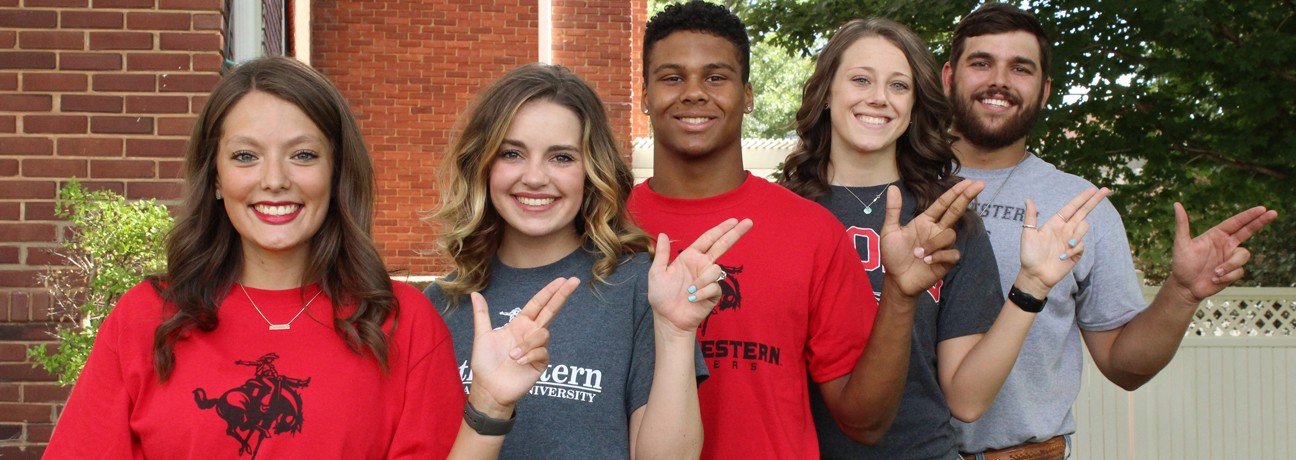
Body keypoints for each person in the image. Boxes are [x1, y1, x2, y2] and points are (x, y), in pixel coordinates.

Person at [44, 56, 572, 459]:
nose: (274, 179)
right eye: (246, 156)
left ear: (336, 174)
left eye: (302, 154)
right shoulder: (145, 318)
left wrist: (491, 405)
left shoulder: (404, 323)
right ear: (216, 180)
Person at [630, 2, 973, 457]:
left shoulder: (811, 229)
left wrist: (899, 294)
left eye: (716, 77)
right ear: (644, 95)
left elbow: (864, 422)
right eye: (672, 77)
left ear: (748, 95)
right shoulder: (608, 226)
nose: (694, 92)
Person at [941, 4, 1279, 459]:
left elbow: (1125, 366)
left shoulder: (1081, 207)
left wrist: (1181, 292)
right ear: (948, 77)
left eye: (1020, 68)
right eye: (981, 63)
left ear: (1044, 92)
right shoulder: (896, 187)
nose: (999, 80)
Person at [780, 17, 1110, 459]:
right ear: (826, 94)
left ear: (915, 105)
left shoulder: (948, 220)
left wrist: (1032, 285)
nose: (878, 97)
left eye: (899, 86)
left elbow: (967, 399)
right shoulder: (778, 215)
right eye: (860, 79)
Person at [426, 63, 751, 459]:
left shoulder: (639, 289)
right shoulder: (437, 305)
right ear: (483, 163)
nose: (534, 177)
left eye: (561, 157)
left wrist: (676, 333)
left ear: (591, 170)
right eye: (512, 153)